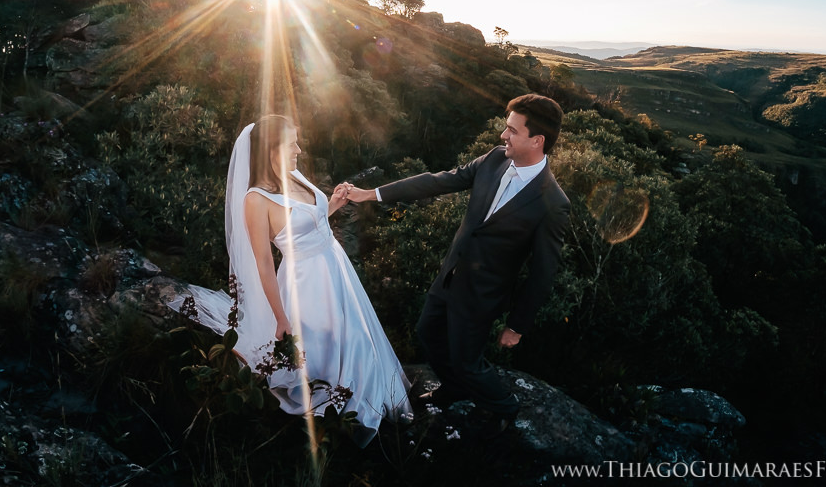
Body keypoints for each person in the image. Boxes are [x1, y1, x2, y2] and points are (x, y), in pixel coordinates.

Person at [169, 115, 411, 445]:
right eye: (290, 144)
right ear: (270, 151)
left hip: (336, 270)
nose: (299, 149)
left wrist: (334, 204)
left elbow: (306, 226)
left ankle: (369, 398)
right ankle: (338, 414)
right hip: (306, 283)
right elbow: (265, 264)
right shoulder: (255, 200)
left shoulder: (293, 175)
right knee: (329, 346)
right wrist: (280, 316)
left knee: (356, 336)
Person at [347, 94, 570, 438]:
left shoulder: (553, 203)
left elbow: (543, 272)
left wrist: (517, 326)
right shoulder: (494, 159)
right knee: (427, 333)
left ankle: (504, 407)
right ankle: (453, 389)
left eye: (511, 130)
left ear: (537, 140)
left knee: (468, 361)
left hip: (482, 296)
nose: (502, 136)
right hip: (449, 276)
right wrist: (371, 194)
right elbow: (439, 180)